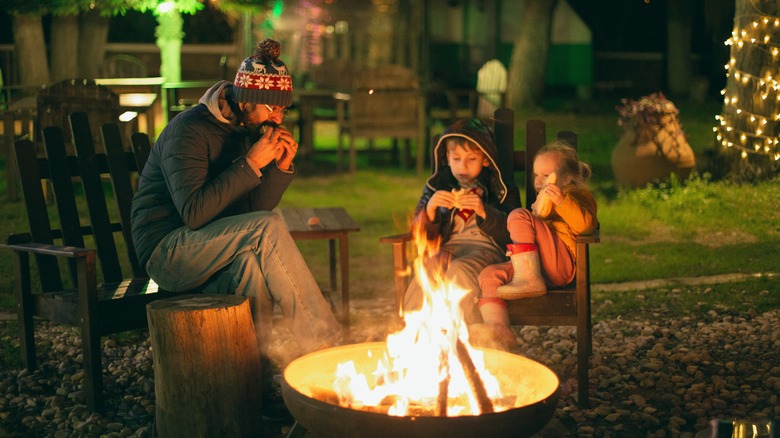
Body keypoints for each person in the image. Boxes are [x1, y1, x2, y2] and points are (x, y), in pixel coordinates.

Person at [130, 39, 342, 418]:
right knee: (267, 228)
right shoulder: (189, 131)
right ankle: (326, 346)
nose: (278, 118)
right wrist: (249, 164)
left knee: (250, 261)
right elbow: (194, 213)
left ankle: (253, 383)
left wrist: (278, 169)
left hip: (209, 247)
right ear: (244, 99)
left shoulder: (247, 128)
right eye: (270, 107)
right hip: (167, 252)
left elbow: (247, 213)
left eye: (283, 109)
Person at [475, 140, 598, 350]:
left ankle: (528, 278)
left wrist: (562, 202)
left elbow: (587, 226)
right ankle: (499, 329)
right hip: (536, 267)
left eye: (546, 175)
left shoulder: (576, 196)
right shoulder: (543, 200)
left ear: (566, 177)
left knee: (518, 215)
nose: (539, 181)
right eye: (535, 175)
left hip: (559, 265)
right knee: (488, 276)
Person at [402, 118, 521, 324]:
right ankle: (414, 328)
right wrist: (430, 210)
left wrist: (485, 211)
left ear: (485, 160)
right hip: (447, 248)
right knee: (428, 268)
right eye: (456, 158)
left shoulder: (502, 189)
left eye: (471, 159)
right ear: (447, 158)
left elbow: (515, 231)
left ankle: (457, 329)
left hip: (486, 250)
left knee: (458, 270)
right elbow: (418, 233)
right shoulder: (436, 187)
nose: (462, 166)